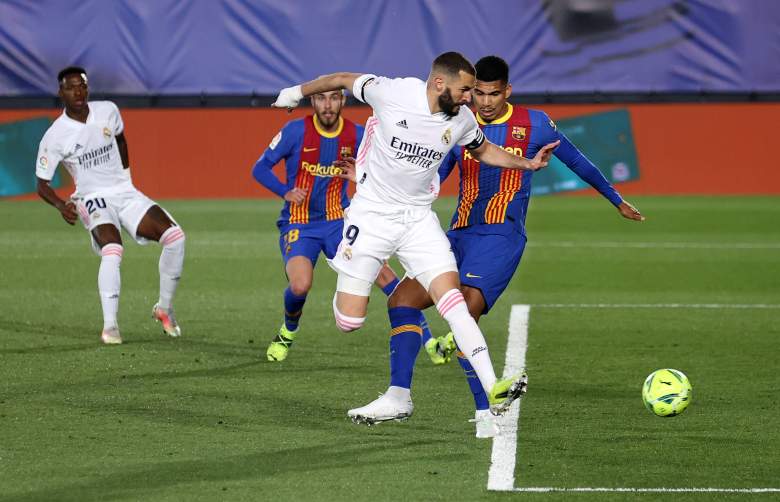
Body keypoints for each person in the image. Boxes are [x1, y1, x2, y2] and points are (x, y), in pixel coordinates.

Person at [355, 55, 644, 436]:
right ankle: (398, 396)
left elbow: (578, 162)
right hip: (458, 231)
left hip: (500, 234)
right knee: (401, 301)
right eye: (478, 93)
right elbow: (434, 170)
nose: (485, 101)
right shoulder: (459, 123)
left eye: (493, 94)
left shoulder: (535, 124)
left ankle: (486, 413)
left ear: (507, 91)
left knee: (465, 312)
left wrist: (615, 198)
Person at [272, 51, 560, 423]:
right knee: (349, 321)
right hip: (371, 216)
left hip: (417, 220)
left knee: (452, 301)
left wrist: (528, 163)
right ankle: (351, 264)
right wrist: (295, 92)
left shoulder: (462, 119)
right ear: (440, 83)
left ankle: (492, 387)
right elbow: (342, 77)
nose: (469, 97)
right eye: (465, 89)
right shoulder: (392, 93)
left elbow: (484, 150)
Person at [253, 90, 436, 362]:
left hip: (340, 221)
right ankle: (288, 330)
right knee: (300, 286)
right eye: (321, 99)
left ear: (342, 100)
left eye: (334, 98)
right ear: (312, 101)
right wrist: (285, 191)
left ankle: (430, 340)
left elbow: (383, 169)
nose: (327, 105)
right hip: (300, 224)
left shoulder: (358, 134)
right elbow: (260, 168)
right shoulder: (295, 131)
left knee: (383, 275)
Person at [35, 66, 185, 345]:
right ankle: (110, 326)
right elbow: (41, 183)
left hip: (124, 192)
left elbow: (121, 139)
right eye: (70, 87)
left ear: (87, 88)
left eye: (81, 85)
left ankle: (164, 308)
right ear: (61, 92)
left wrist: (127, 180)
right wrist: (59, 205)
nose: (77, 91)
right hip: (92, 197)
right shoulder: (55, 136)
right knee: (113, 249)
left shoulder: (108, 110)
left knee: (175, 237)